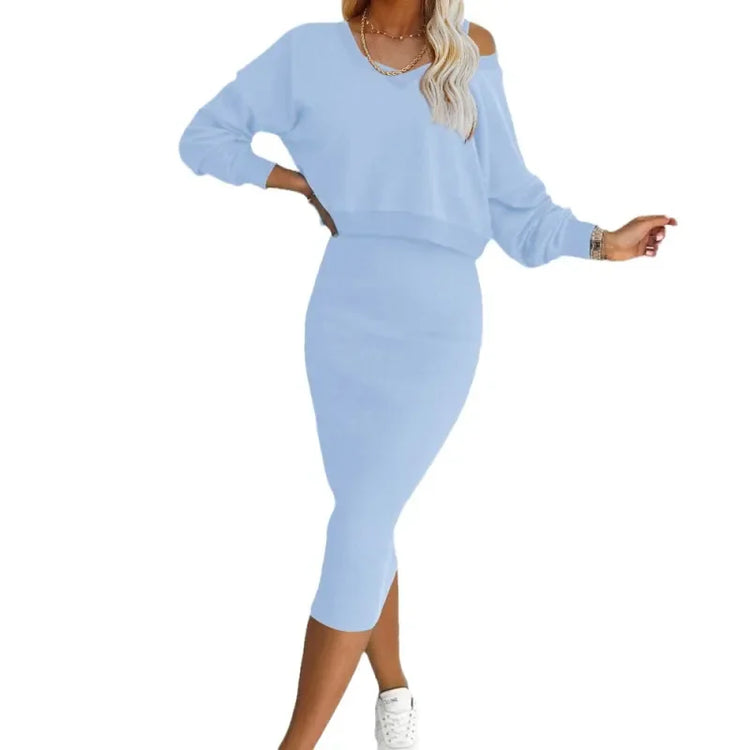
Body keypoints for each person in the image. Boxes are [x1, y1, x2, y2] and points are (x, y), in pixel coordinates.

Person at [178, 1, 677, 747]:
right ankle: (395, 689)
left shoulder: (469, 51)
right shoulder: (308, 51)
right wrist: (298, 183)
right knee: (365, 516)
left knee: (361, 519)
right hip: (344, 310)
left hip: (436, 321)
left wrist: (604, 242)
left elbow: (513, 206)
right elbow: (203, 138)